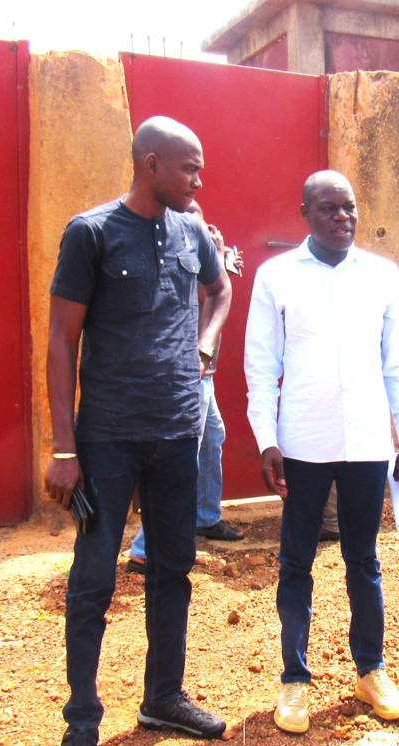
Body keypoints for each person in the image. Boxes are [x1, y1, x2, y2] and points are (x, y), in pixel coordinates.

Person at [44, 116, 232, 746]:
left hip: (178, 433)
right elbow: (61, 341)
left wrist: (206, 339)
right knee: (94, 579)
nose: (198, 180)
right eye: (189, 167)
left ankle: (163, 697)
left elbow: (220, 289)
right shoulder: (90, 233)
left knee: (173, 569)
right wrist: (64, 447)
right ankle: (81, 723)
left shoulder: (192, 231)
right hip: (108, 439)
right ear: (151, 164)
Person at [244, 170, 399, 734]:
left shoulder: (381, 275)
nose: (343, 218)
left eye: (349, 208)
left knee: (363, 559)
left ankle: (370, 670)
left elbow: (398, 360)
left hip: (367, 440)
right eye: (329, 209)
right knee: (296, 561)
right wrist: (267, 439)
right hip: (303, 441)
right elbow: (261, 365)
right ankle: (294, 679)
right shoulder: (277, 277)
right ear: (305, 213)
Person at [126, 202, 243, 575]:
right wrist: (216, 262)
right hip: (186, 376)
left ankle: (205, 516)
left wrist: (219, 260)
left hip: (204, 375)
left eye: (199, 218)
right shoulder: (171, 258)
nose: (194, 225)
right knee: (180, 458)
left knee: (212, 441)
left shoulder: (199, 255)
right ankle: (145, 548)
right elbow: (204, 303)